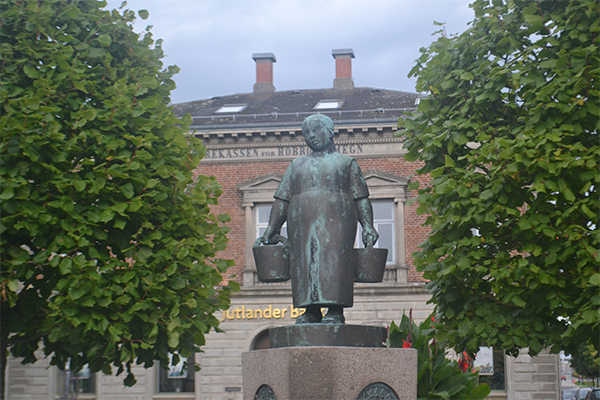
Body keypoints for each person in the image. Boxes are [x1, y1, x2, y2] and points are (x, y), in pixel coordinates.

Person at [258, 114, 379, 324]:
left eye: (315, 130)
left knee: (336, 262)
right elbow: (282, 199)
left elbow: (361, 198)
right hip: (301, 222)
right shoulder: (297, 165)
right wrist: (271, 228)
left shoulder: (346, 163)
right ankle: (310, 310)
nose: (310, 136)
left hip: (339, 219)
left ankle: (335, 309)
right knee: (304, 263)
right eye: (306, 133)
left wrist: (368, 226)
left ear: (330, 131)